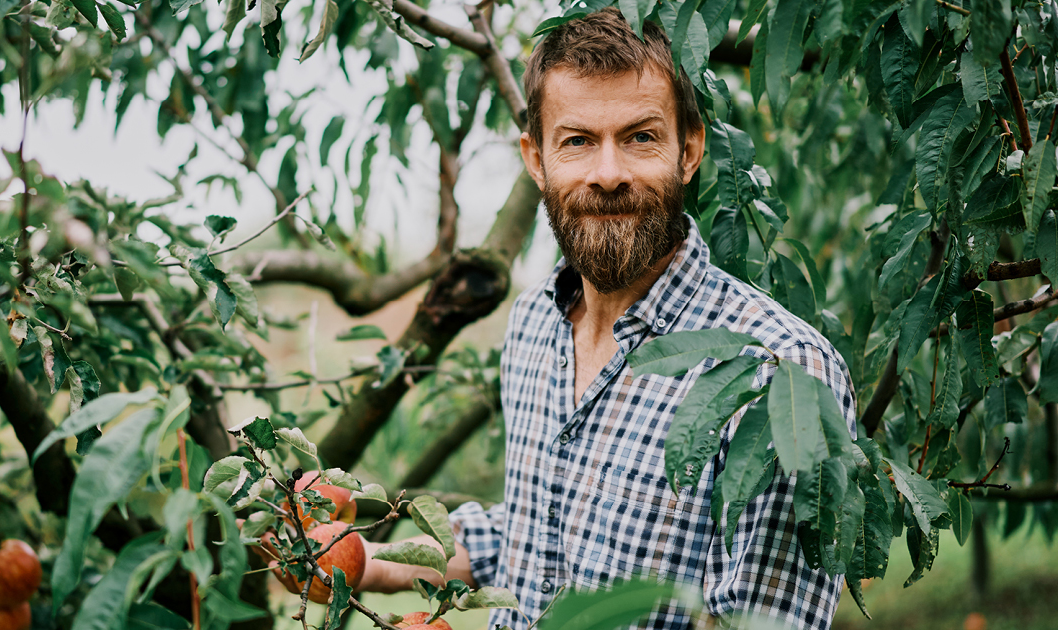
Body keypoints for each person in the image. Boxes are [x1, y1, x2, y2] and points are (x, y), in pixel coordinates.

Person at [356, 9, 857, 629]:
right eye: (578, 140)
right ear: (536, 159)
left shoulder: (780, 375)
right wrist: (370, 562)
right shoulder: (533, 327)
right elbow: (534, 539)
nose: (608, 173)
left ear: (690, 150)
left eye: (641, 137)